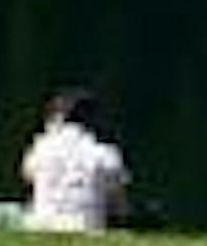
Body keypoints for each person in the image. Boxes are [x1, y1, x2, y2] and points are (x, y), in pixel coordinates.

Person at [18, 87, 129, 233]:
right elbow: (118, 206)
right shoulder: (106, 155)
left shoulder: (40, 148)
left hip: (41, 226)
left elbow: (28, 178)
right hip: (87, 227)